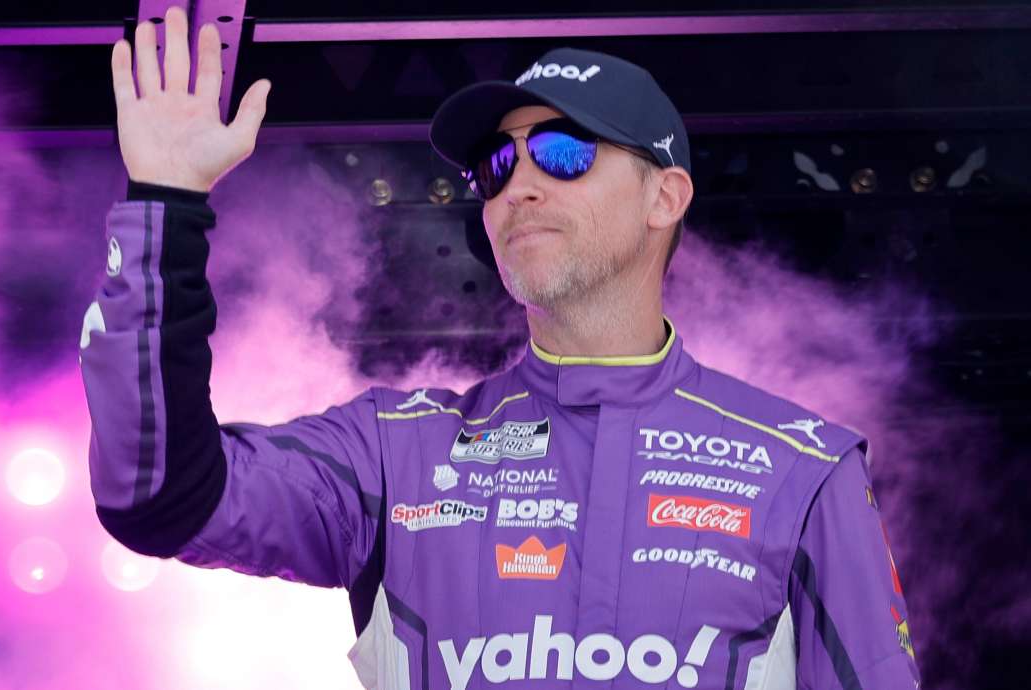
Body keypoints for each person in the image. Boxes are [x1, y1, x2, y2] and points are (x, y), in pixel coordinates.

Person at [79, 7, 922, 689]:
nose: (518, 184)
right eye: (494, 165)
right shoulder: (394, 450)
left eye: (563, 151)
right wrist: (166, 201)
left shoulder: (800, 467)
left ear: (665, 196)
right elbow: (159, 495)